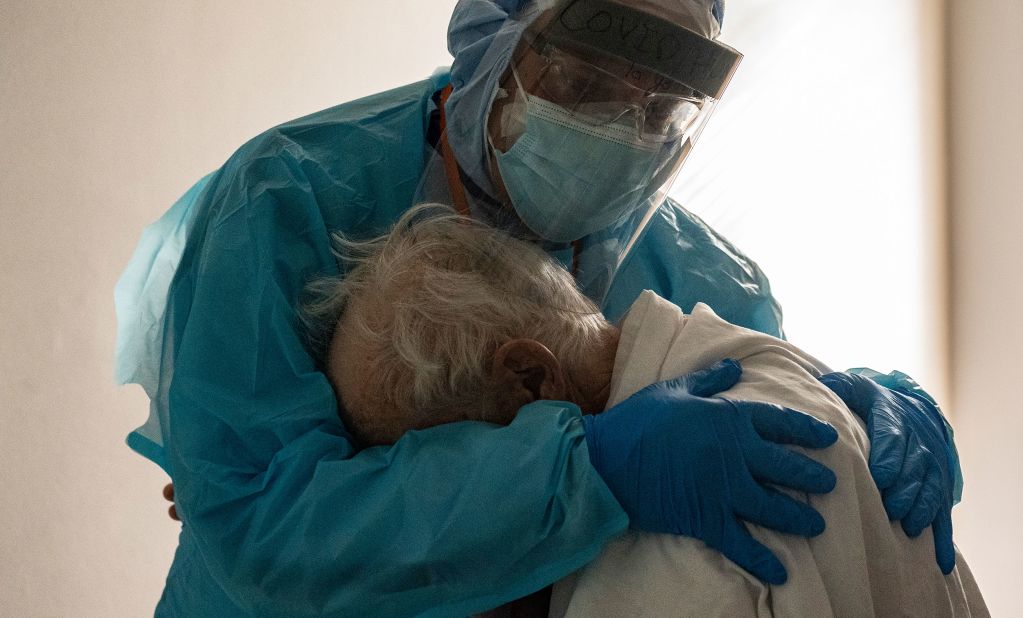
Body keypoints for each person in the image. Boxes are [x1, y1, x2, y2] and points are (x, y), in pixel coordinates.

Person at [117, 0, 962, 615]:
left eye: (660, 105)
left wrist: (842, 404)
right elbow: (262, 524)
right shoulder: (290, 196)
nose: (622, 127)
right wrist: (581, 471)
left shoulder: (706, 274)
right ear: (494, 40)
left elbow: (764, 457)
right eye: (584, 81)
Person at [309, 204, 986, 617]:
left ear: (529, 378)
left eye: (446, 459)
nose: (461, 512)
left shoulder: (676, 549)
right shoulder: (776, 375)